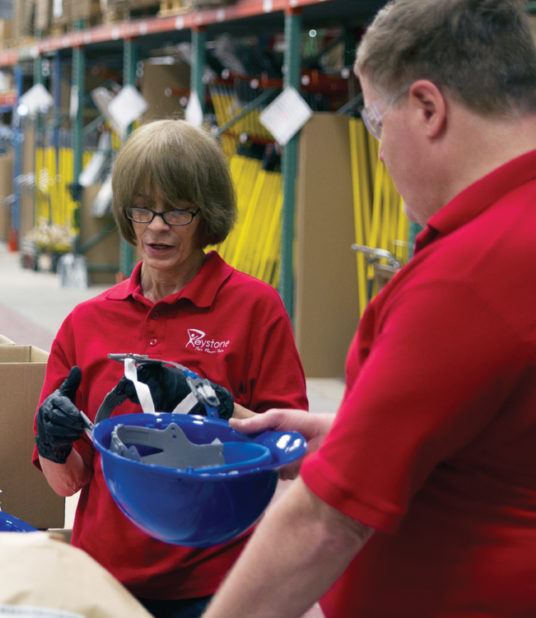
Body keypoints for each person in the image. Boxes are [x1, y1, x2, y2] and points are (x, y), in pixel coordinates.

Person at [203, 1, 536, 616]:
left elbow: (322, 526)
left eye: (378, 125)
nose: (378, 154)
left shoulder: (470, 275)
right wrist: (354, 432)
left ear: (429, 109)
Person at [32, 118, 308, 618]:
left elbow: (291, 457)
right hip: (104, 585)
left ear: (206, 216)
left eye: (177, 211)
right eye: (143, 209)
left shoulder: (254, 309)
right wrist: (51, 441)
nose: (157, 226)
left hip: (217, 584)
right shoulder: (86, 323)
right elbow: (66, 483)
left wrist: (217, 408)